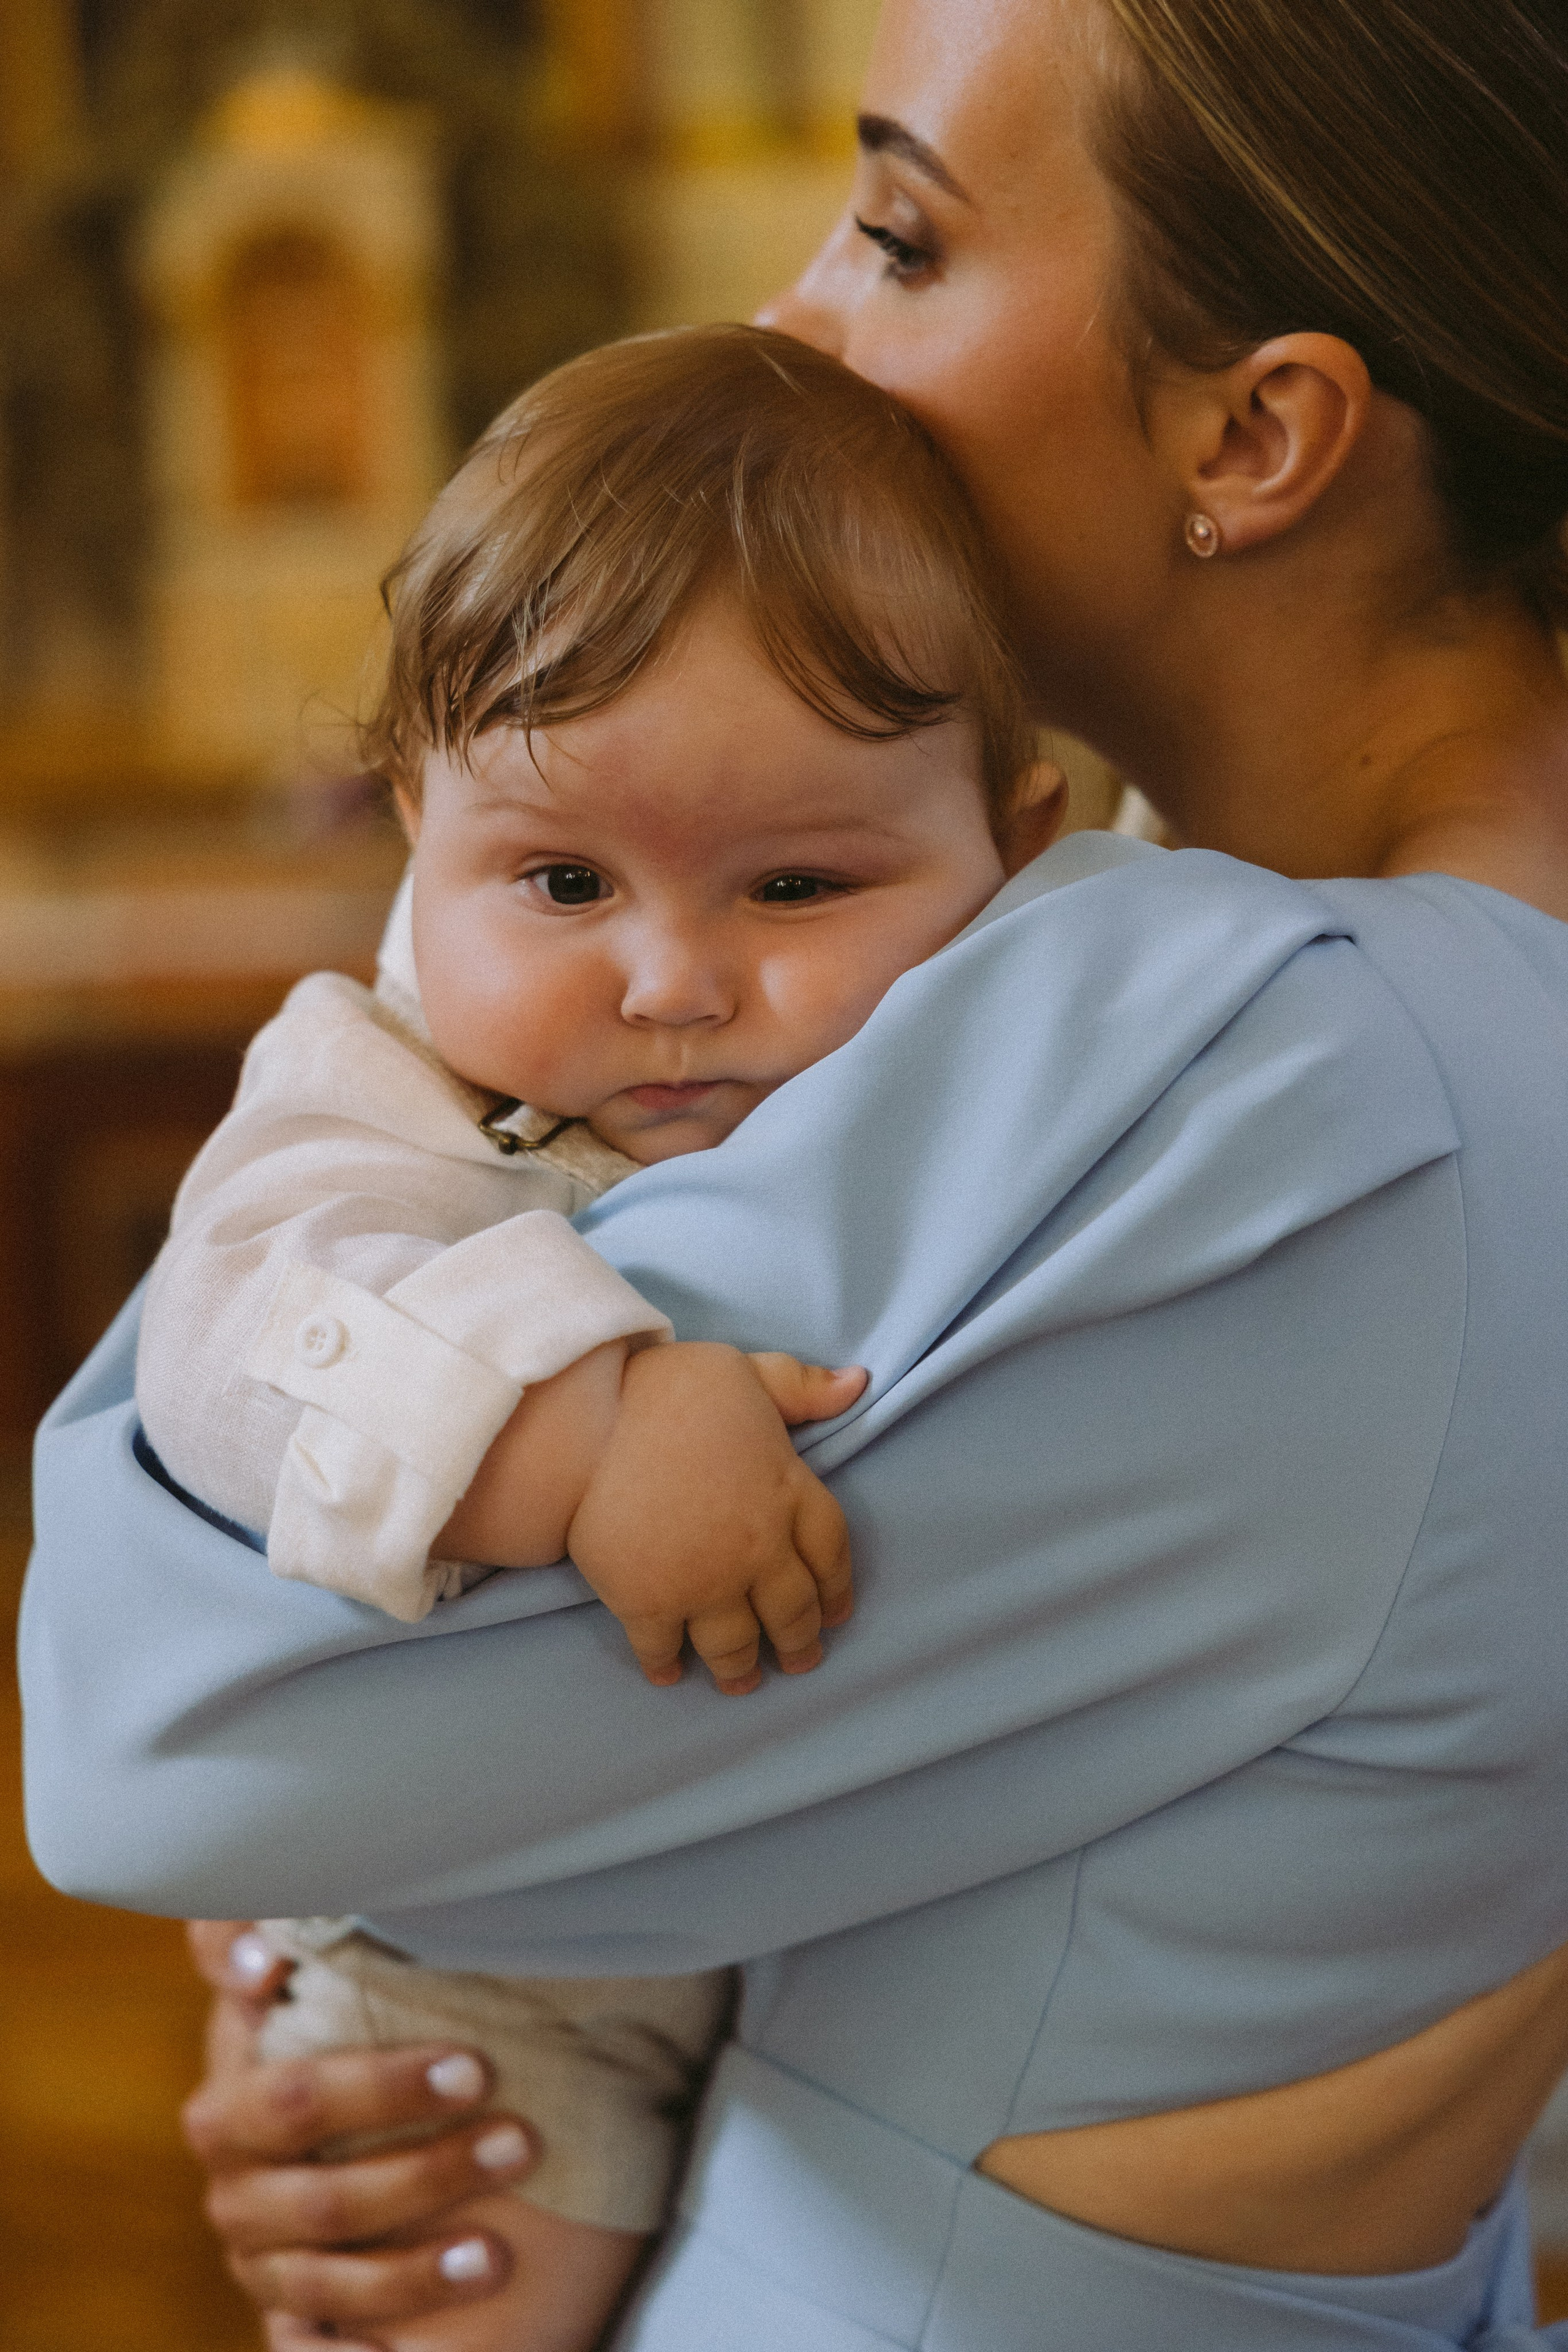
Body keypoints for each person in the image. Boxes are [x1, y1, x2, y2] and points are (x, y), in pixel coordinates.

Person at [20, 0, 1568, 2345]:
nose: (790, 319)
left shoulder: (1291, 1062)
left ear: (1257, 429)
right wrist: (461, 2019)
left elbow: (147, 1725)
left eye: (898, 235)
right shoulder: (1394, 1000)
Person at [130, 320, 1058, 2352]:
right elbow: (236, 1343)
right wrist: (593, 1427)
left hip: (864, 1969)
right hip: (487, 1979)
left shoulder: (1025, 1070)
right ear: (408, 823)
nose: (668, 978)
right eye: (557, 877)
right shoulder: (381, 1094)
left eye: (796, 882)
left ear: (1025, 834)